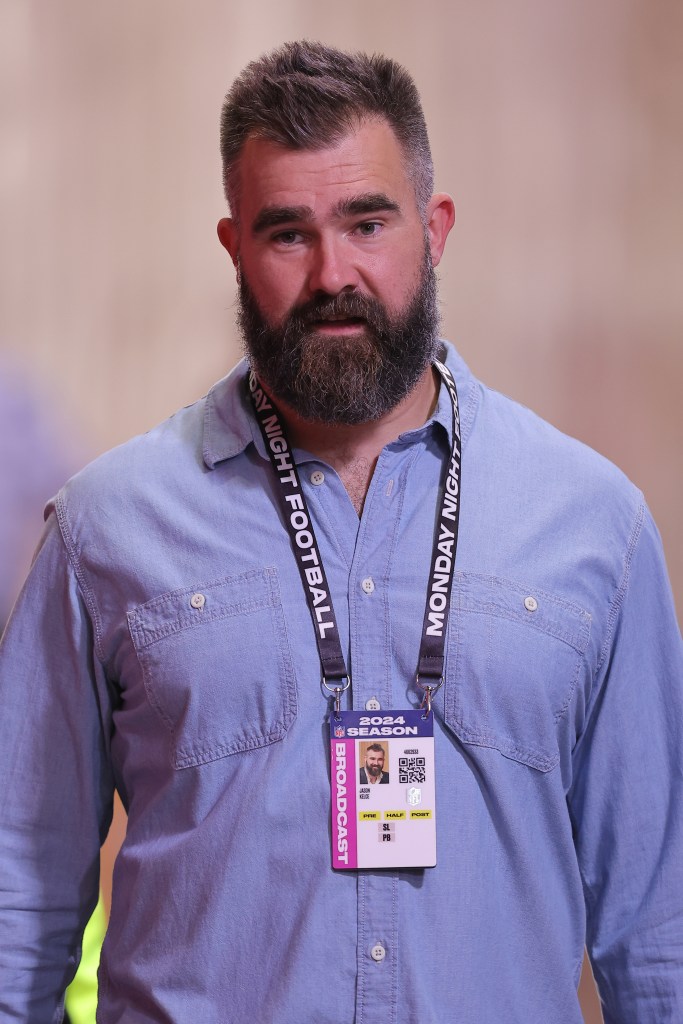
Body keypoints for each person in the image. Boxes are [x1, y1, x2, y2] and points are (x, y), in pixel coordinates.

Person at [0, 39, 681, 1023]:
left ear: (433, 230)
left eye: (367, 221)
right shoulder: (104, 529)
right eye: (287, 233)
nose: (332, 273)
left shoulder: (593, 526)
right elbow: (20, 898)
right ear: (234, 248)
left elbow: (655, 930)